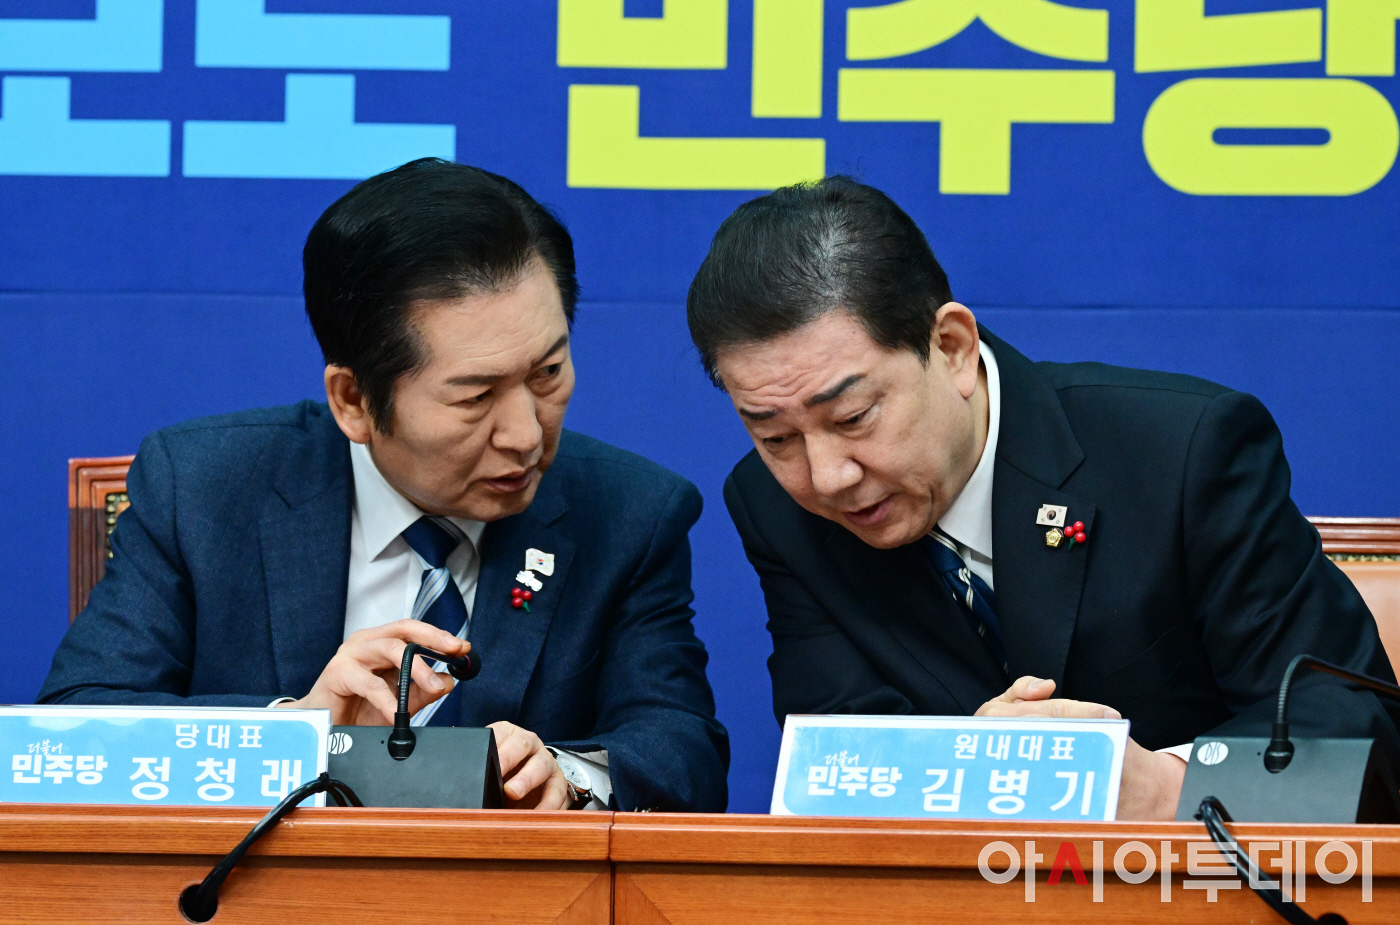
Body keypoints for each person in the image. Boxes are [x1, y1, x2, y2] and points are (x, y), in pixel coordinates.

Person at [685, 175, 1396, 821]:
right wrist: (972, 770)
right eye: (775, 436)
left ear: (952, 347)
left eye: (852, 417)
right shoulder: (777, 507)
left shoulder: (1183, 452)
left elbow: (1358, 736)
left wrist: (1166, 790)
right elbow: (841, 764)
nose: (827, 476)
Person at [40, 158, 728, 813]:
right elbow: (74, 728)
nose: (525, 434)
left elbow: (684, 751)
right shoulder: (203, 488)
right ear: (354, 401)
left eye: (547, 373)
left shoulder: (630, 513)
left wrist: (569, 776)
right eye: (475, 396)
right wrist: (296, 732)